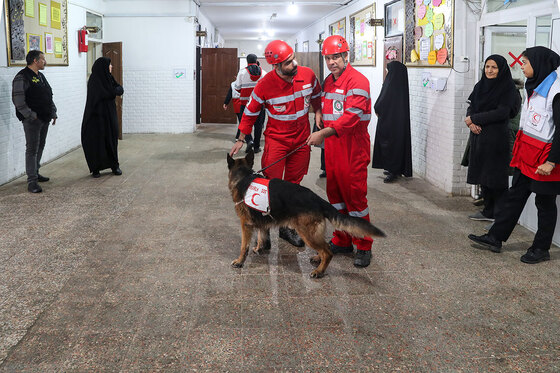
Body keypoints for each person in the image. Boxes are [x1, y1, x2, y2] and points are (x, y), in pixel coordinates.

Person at [468, 46, 560, 264]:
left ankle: (541, 248)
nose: (521, 65)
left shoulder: (556, 92)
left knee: (544, 204)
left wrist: (552, 161)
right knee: (514, 197)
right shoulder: (534, 84)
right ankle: (495, 237)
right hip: (527, 154)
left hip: (545, 159)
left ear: (538, 64)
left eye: (525, 62)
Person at [230, 40, 322, 247]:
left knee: (293, 184)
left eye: (293, 58)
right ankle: (265, 230)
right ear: (276, 66)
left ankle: (287, 227)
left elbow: (317, 95)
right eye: (288, 62)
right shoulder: (264, 84)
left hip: (301, 140)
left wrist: (317, 111)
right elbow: (251, 110)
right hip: (277, 140)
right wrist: (241, 137)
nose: (294, 64)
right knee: (270, 185)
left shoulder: (307, 75)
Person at [306, 35, 373, 267]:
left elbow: (349, 119)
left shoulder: (358, 81)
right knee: (335, 198)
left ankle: (364, 246)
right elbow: (327, 109)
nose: (332, 62)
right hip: (334, 148)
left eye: (336, 57)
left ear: (346, 56)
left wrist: (321, 134)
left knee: (355, 199)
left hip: (353, 148)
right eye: (328, 58)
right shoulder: (328, 81)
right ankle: (343, 240)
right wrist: (318, 114)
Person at [465, 55, 521, 222]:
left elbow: (503, 112)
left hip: (496, 139)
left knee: (496, 178)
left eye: (494, 67)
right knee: (483, 176)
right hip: (479, 137)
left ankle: (500, 217)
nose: (489, 70)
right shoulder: (480, 85)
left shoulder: (508, 89)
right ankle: (488, 211)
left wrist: (475, 119)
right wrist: (470, 122)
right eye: (487, 67)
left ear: (501, 69)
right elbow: (471, 106)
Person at [12, 50, 57, 193]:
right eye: (43, 59)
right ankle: (32, 181)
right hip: (33, 120)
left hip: (45, 118)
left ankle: (36, 172)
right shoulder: (22, 77)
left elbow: (49, 95)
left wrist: (53, 112)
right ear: (35, 61)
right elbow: (18, 101)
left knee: (40, 146)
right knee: (31, 149)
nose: (45, 62)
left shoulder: (41, 76)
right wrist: (32, 116)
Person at [81, 57, 124, 178]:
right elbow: (106, 93)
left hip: (109, 115)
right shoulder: (94, 80)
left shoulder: (109, 78)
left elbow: (119, 89)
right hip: (96, 117)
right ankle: (96, 168)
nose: (112, 67)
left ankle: (114, 165)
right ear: (103, 67)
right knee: (97, 142)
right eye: (109, 65)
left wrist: (114, 90)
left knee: (111, 139)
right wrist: (113, 91)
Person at [371, 61, 412, 183]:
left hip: (390, 121)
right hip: (396, 121)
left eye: (388, 70)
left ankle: (393, 170)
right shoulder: (400, 84)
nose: (387, 72)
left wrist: (377, 107)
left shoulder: (391, 84)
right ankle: (393, 168)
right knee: (396, 145)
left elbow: (383, 100)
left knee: (391, 145)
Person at [233, 54, 266, 153]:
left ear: (247, 61)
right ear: (256, 61)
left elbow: (237, 88)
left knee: (245, 124)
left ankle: (249, 140)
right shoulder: (264, 73)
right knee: (258, 126)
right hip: (260, 105)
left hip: (245, 104)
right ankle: (256, 147)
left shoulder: (242, 72)